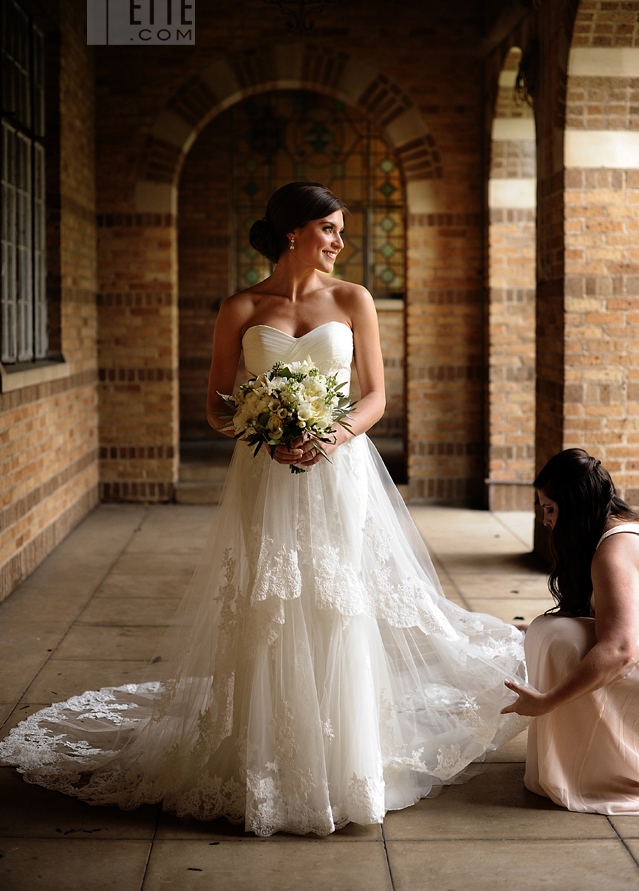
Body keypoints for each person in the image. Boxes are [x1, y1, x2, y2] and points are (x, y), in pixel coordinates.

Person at [0, 182, 528, 836]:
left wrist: (330, 435)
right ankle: (267, 758)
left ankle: (344, 761)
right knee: (270, 601)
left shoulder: (353, 300)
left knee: (338, 600)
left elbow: (374, 397)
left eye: (339, 230)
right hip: (266, 473)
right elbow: (215, 404)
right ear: (292, 233)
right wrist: (265, 424)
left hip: (338, 473)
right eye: (330, 229)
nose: (339, 241)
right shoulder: (241, 306)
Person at [501, 448, 639, 814]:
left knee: (559, 639)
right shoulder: (606, 534)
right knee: (548, 631)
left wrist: (547, 702)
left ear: (575, 507)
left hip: (631, 654)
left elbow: (622, 648)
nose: (545, 521)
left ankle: (599, 769)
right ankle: (576, 759)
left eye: (550, 509)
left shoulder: (615, 548)